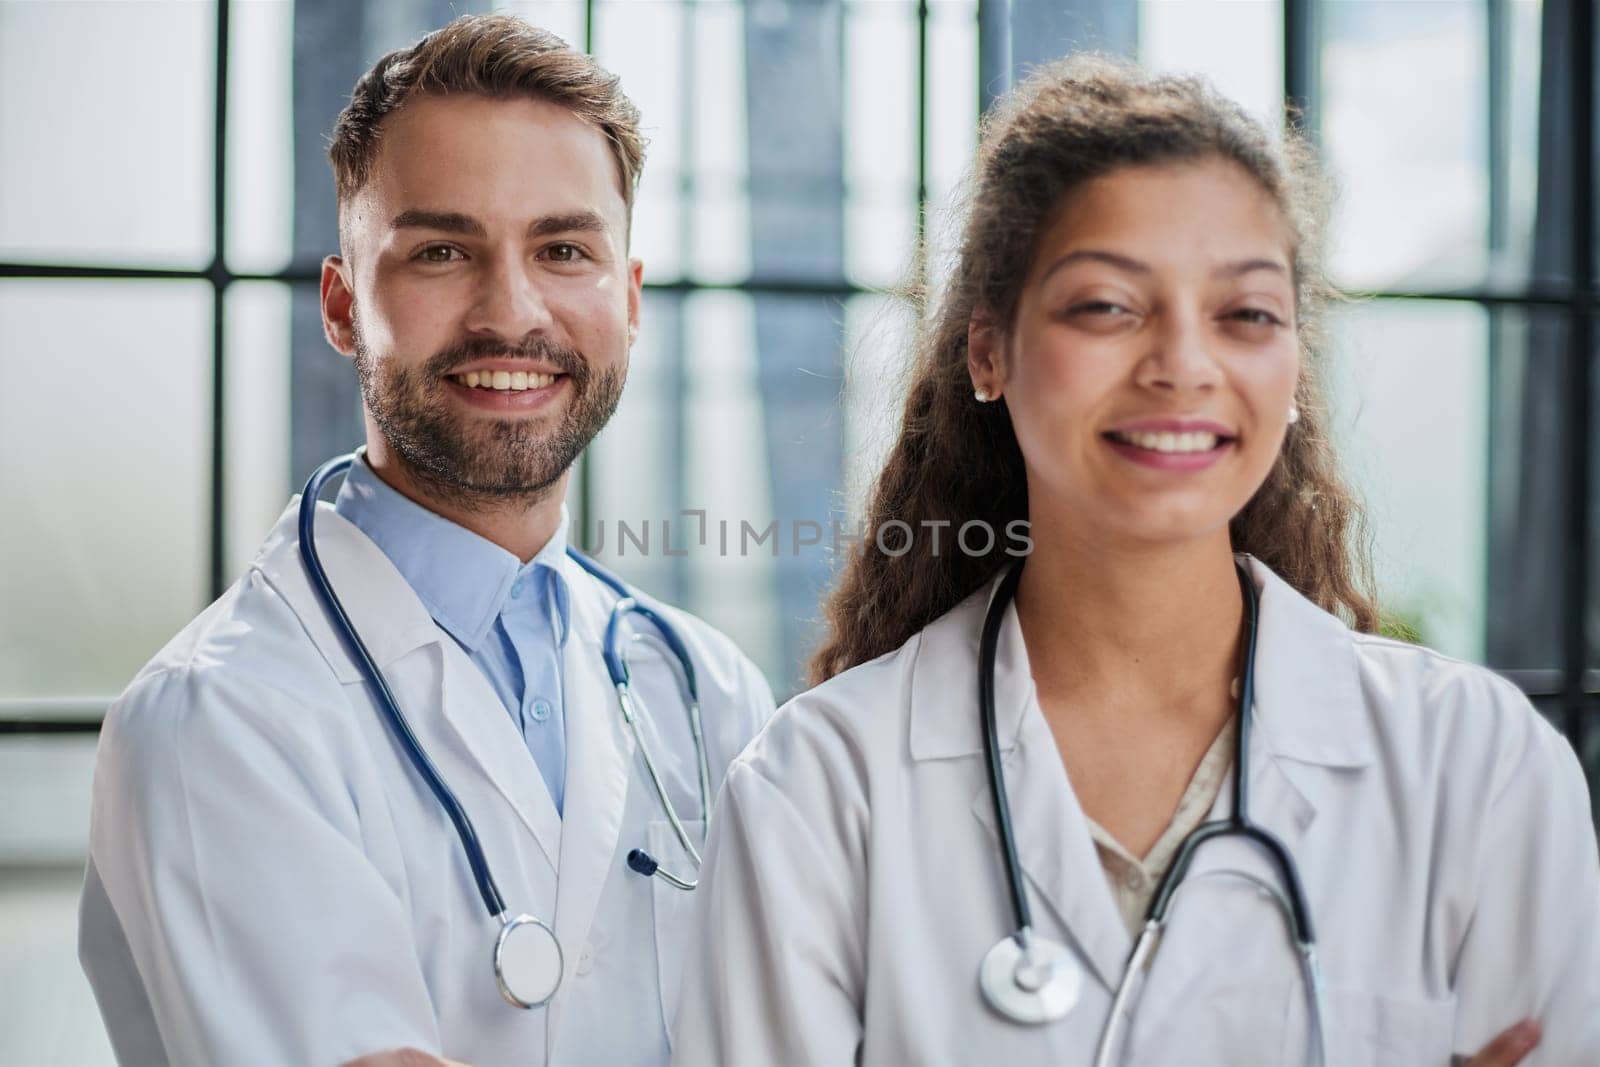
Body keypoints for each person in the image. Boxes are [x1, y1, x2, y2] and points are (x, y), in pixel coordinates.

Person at [672, 57, 1600, 1066]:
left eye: (1244, 314)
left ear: (1293, 363)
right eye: (1107, 306)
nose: (1182, 365)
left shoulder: (1476, 766)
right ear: (988, 350)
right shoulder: (820, 785)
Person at [77, 15, 773, 1066]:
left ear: (628, 305)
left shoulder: (705, 690)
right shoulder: (216, 717)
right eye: (442, 250)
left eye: (564, 248)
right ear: (345, 303)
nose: (512, 310)